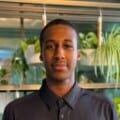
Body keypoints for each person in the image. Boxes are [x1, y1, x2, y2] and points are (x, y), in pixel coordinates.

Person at [2, 19, 118, 120]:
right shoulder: (15, 112)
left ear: (78, 55)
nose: (59, 54)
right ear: (41, 55)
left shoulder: (104, 108)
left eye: (67, 46)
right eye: (50, 47)